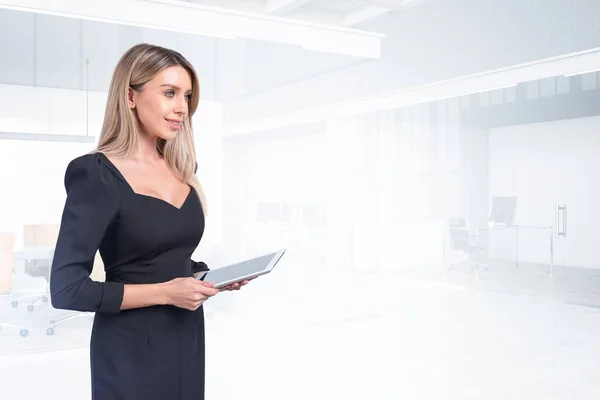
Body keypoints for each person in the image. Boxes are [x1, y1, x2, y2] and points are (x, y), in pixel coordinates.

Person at [49, 43, 249, 400]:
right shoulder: (96, 174)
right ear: (130, 96)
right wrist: (168, 292)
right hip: (128, 347)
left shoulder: (183, 171)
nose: (182, 109)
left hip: (185, 336)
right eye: (169, 93)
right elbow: (67, 289)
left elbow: (167, 257)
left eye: (187, 96)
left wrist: (208, 279)